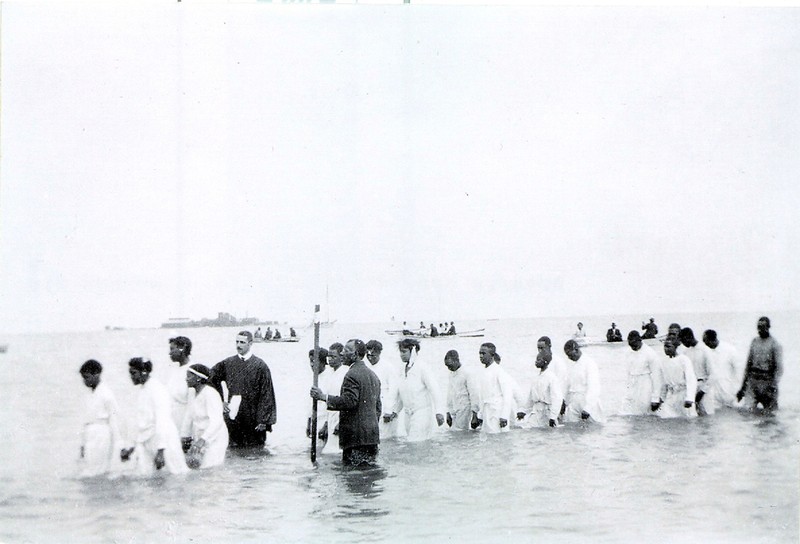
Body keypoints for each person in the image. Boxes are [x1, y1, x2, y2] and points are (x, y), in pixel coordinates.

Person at [310, 339, 382, 467]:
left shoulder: (351, 374)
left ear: (355, 354)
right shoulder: (373, 375)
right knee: (369, 475)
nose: (342, 353)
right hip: (371, 437)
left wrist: (323, 397)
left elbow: (349, 401)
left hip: (355, 439)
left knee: (353, 478)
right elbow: (378, 408)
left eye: (346, 351)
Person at [120, 358, 189, 475]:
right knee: (147, 476)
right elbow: (140, 421)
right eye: (130, 373)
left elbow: (162, 420)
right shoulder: (142, 390)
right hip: (147, 439)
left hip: (165, 440)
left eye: (134, 373)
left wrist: (161, 450)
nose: (131, 377)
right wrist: (131, 447)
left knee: (175, 473)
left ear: (144, 372)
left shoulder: (157, 389)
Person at [209, 331, 277, 448]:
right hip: (234, 415)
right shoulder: (228, 363)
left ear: (250, 343)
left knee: (255, 451)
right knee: (233, 448)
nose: (238, 345)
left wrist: (263, 420)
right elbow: (211, 377)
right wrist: (220, 401)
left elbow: (267, 394)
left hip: (253, 417)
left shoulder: (260, 366)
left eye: (242, 342)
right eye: (237, 342)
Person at [385, 338, 445, 441]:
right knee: (411, 443)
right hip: (408, 414)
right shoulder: (402, 370)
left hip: (422, 412)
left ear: (413, 351)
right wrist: (395, 411)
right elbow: (402, 394)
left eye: (404, 352)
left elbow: (434, 390)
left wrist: (439, 412)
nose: (401, 354)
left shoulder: (423, 367)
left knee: (416, 442)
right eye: (400, 351)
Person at [78, 360, 123, 477]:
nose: (85, 381)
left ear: (96, 374)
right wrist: (82, 443)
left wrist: (120, 444)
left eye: (87, 377)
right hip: (90, 433)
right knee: (88, 465)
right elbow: (85, 420)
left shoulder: (106, 394)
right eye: (83, 378)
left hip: (101, 433)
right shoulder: (90, 395)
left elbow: (115, 419)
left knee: (97, 469)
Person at [181, 364, 229, 469]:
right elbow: (189, 416)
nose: (186, 379)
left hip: (216, 437)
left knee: (210, 468)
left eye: (189, 376)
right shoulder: (192, 393)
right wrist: (184, 437)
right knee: (197, 468)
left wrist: (202, 440)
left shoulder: (211, 394)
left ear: (198, 378)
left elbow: (217, 421)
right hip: (202, 436)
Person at [736, 317, 783, 413]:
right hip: (753, 381)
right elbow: (748, 365)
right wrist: (742, 388)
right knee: (747, 412)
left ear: (768, 327)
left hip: (768, 383)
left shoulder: (775, 344)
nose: (760, 330)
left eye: (762, 327)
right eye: (758, 327)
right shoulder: (754, 341)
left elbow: (779, 368)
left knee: (770, 416)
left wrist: (773, 385)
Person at [473, 343, 515, 433]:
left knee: (497, 439)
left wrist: (504, 415)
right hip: (486, 412)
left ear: (492, 355)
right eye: (479, 353)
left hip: (497, 413)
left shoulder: (499, 372)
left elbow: (508, 395)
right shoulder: (482, 372)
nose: (480, 356)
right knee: (487, 440)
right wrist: (480, 415)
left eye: (483, 353)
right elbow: (481, 395)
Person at [516, 348, 563, 428]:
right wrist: (523, 411)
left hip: (547, 412)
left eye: (538, 360)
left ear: (545, 362)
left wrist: (553, 416)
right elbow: (531, 398)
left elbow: (557, 398)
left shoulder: (551, 377)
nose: (536, 362)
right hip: (536, 412)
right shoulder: (537, 378)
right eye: (536, 359)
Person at [652, 338, 696, 419]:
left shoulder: (684, 359)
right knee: (666, 418)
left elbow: (691, 380)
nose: (666, 349)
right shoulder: (663, 361)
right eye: (664, 346)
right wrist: (660, 398)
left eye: (668, 346)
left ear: (675, 347)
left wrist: (689, 398)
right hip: (671, 395)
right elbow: (663, 382)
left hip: (683, 394)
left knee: (687, 420)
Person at [562, 340, 604, 423]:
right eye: (567, 355)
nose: (569, 358)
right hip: (573, 403)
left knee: (593, 430)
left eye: (570, 355)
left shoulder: (589, 363)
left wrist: (588, 408)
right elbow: (567, 386)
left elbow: (594, 387)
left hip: (587, 402)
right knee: (571, 430)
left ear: (576, 350)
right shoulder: (572, 366)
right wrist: (564, 402)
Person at [620, 331, 661, 416]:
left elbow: (657, 376)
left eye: (634, 345)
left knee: (644, 412)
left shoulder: (650, 353)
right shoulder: (628, 353)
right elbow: (627, 372)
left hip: (645, 384)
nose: (633, 347)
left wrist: (655, 398)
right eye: (630, 345)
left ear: (640, 340)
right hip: (632, 384)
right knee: (628, 412)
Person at [366, 340, 400, 439]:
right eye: (368, 355)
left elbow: (394, 389)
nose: (370, 358)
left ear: (379, 353)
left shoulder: (388, 367)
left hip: (385, 407)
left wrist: (389, 410)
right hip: (372, 409)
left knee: (386, 438)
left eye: (373, 355)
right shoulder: (367, 367)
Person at [679, 327, 715, 416]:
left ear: (689, 337)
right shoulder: (686, 352)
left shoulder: (705, 350)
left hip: (704, 388)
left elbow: (713, 374)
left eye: (683, 341)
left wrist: (702, 391)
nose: (683, 344)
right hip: (692, 388)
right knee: (694, 416)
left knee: (707, 415)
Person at [319, 343, 347, 454]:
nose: (330, 359)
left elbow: (346, 401)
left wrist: (341, 423)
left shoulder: (345, 373)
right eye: (329, 356)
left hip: (340, 418)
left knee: (338, 451)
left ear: (341, 357)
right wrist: (326, 424)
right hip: (331, 417)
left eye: (333, 357)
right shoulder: (331, 374)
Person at [702, 330, 742, 408]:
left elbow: (738, 370)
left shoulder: (729, 349)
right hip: (714, 392)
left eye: (706, 342)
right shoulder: (707, 351)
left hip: (728, 390)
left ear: (712, 339)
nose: (705, 344)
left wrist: (737, 388)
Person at [443, 350, 480, 431]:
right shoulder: (451, 374)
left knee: (461, 434)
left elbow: (474, 394)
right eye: (447, 366)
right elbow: (449, 394)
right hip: (454, 410)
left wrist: (475, 414)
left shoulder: (467, 373)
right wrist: (448, 412)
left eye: (450, 365)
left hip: (465, 409)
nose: (449, 368)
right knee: (454, 433)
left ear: (456, 361)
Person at [306, 347, 330, 452]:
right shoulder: (314, 378)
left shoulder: (330, 377)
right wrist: (309, 423)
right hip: (315, 421)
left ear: (323, 362)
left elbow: (332, 404)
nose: (312, 365)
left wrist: (326, 425)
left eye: (315, 361)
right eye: (310, 361)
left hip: (325, 421)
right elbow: (309, 404)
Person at [167, 336, 194, 429]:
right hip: (172, 421)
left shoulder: (192, 371)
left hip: (185, 422)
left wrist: (186, 432)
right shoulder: (174, 369)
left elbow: (193, 405)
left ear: (182, 348)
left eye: (172, 349)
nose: (169, 353)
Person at [537, 336, 569, 400]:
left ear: (549, 346)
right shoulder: (541, 362)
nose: (540, 351)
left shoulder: (558, 362)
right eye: (538, 348)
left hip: (556, 400)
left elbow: (562, 384)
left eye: (542, 348)